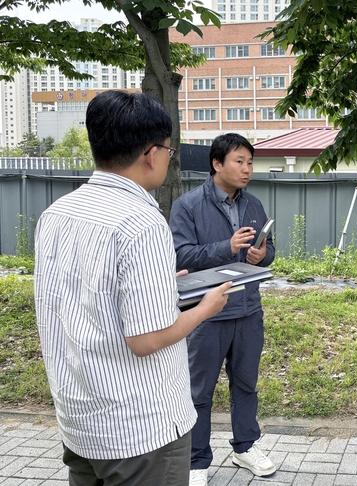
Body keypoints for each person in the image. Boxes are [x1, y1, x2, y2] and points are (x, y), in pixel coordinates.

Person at [34, 90, 232, 486]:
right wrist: (205, 308)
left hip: (79, 418)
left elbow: (87, 292)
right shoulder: (142, 221)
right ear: (151, 153)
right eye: (169, 151)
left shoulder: (56, 213)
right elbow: (147, 339)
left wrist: (160, 285)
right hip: (140, 426)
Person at [169, 133, 276, 485]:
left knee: (246, 385)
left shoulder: (254, 205)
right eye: (239, 162)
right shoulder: (188, 205)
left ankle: (245, 447)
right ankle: (197, 461)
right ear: (217, 164)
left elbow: (267, 250)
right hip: (206, 313)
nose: (247, 169)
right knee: (199, 391)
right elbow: (181, 256)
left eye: (249, 162)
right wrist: (226, 247)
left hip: (248, 310)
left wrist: (263, 255)